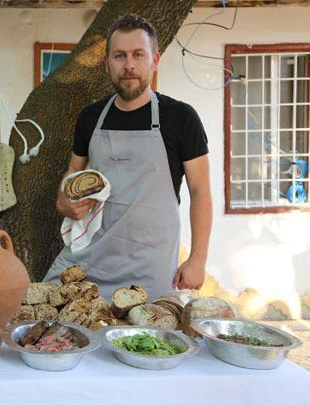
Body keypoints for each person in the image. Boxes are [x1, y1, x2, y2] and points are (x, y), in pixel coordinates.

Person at [44, 13, 213, 300]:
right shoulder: (91, 117)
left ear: (155, 60)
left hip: (150, 268)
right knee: (46, 309)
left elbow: (200, 191)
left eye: (138, 55)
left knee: (142, 330)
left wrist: (198, 259)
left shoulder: (181, 118)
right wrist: (63, 200)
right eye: (119, 56)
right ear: (107, 63)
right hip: (89, 260)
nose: (129, 65)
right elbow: (73, 172)